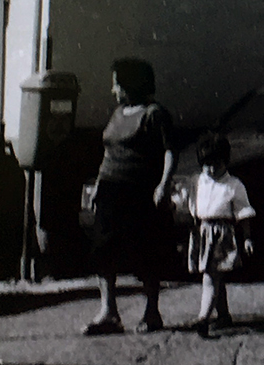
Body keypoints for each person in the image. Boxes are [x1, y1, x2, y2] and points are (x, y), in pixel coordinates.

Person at [84, 58, 175, 335]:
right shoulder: (118, 113)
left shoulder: (154, 114)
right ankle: (109, 312)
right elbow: (108, 152)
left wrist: (163, 185)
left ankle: (152, 312)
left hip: (139, 192)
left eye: (117, 85)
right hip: (111, 189)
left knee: (144, 251)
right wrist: (99, 184)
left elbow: (170, 151)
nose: (114, 91)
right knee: (103, 249)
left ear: (131, 84)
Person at [190, 131, 255, 336]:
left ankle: (203, 318)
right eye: (206, 164)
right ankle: (224, 315)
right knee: (217, 278)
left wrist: (247, 238)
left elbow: (243, 213)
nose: (211, 169)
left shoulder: (233, 185)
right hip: (203, 232)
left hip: (221, 236)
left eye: (216, 164)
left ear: (225, 161)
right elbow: (193, 203)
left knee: (210, 277)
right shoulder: (198, 181)